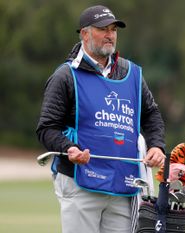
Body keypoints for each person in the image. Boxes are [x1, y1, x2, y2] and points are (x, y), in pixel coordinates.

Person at [36, 5, 166, 233]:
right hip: (80, 182)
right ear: (84, 34)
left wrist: (156, 145)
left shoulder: (132, 74)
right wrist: (69, 149)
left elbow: (151, 114)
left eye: (113, 29)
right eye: (102, 29)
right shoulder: (65, 75)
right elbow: (47, 128)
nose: (110, 35)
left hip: (123, 183)